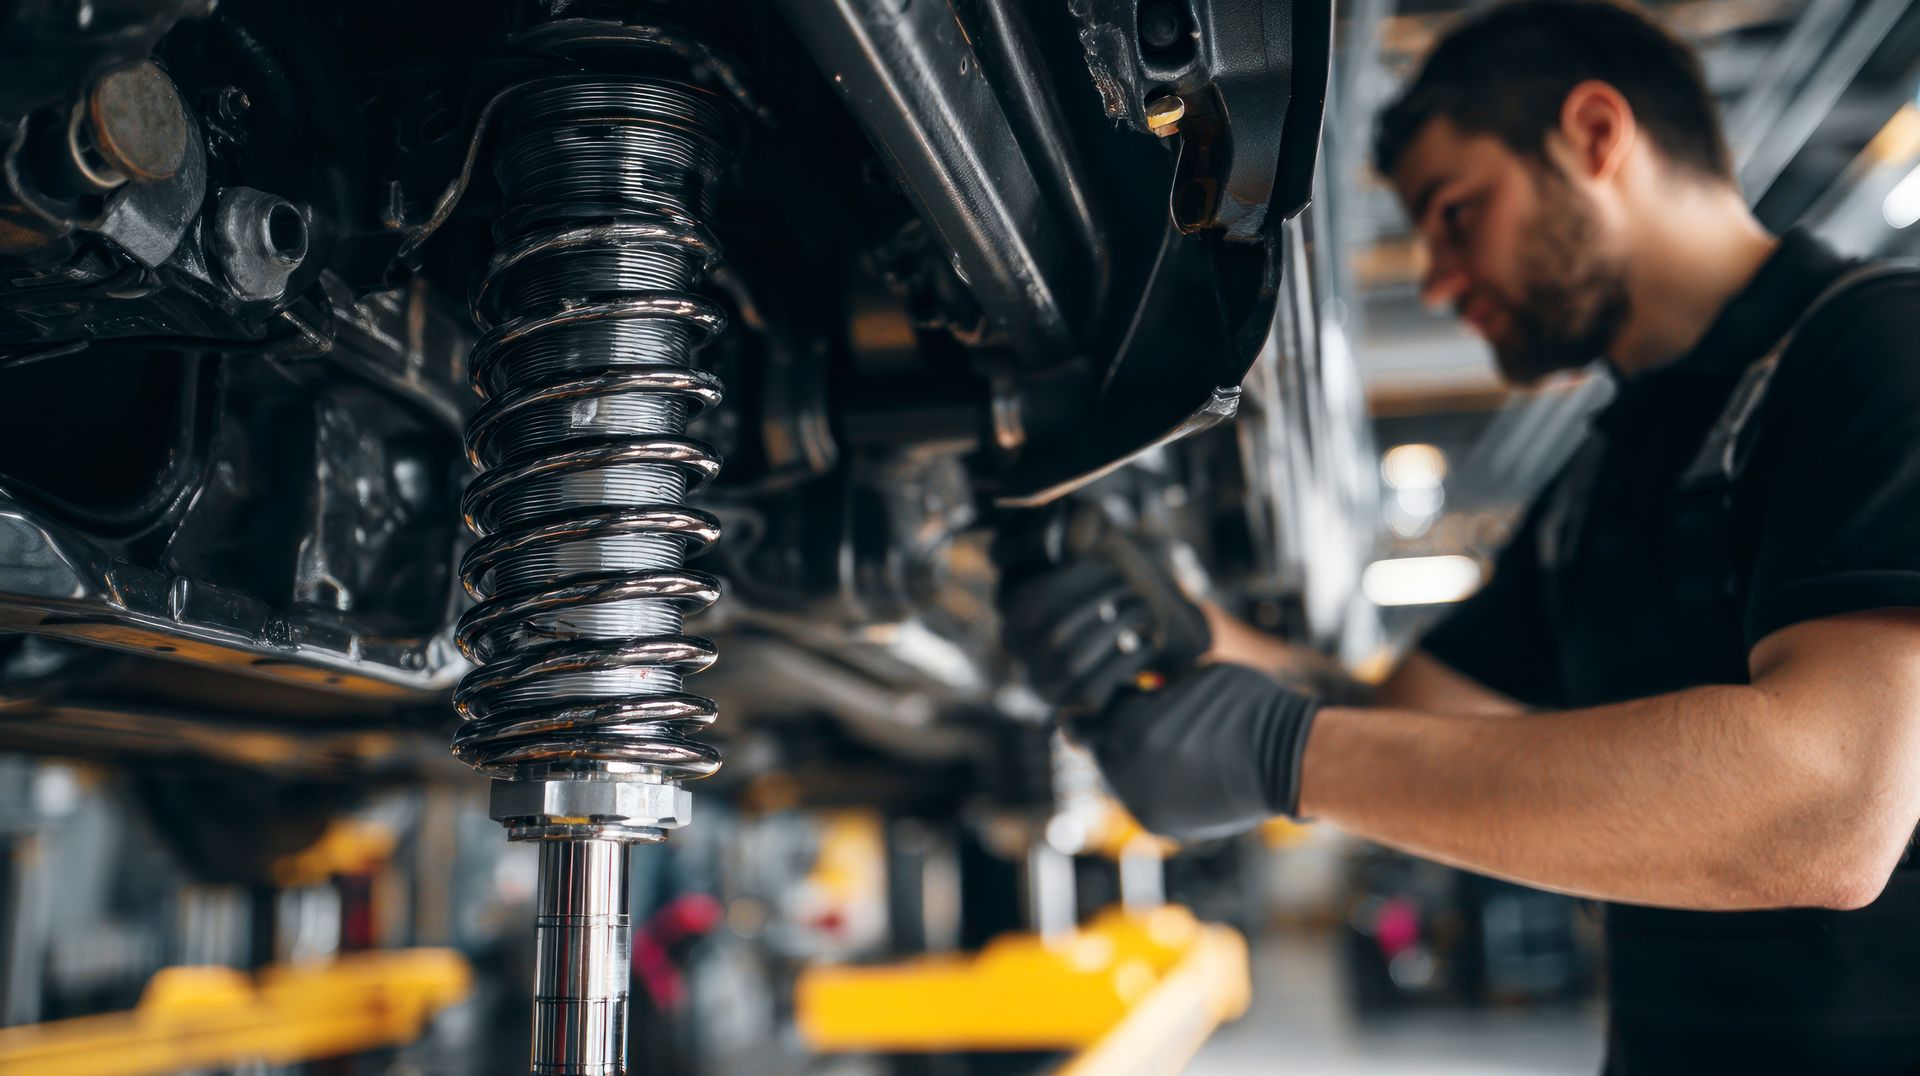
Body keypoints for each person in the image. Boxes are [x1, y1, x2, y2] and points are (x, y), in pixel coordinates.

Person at [996, 1, 1920, 1071]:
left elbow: (1828, 806)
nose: (1435, 279)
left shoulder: (1875, 350)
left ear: (1595, 135)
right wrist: (1178, 628)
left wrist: (1282, 753)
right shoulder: (1608, 472)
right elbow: (1401, 724)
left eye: (1455, 209)